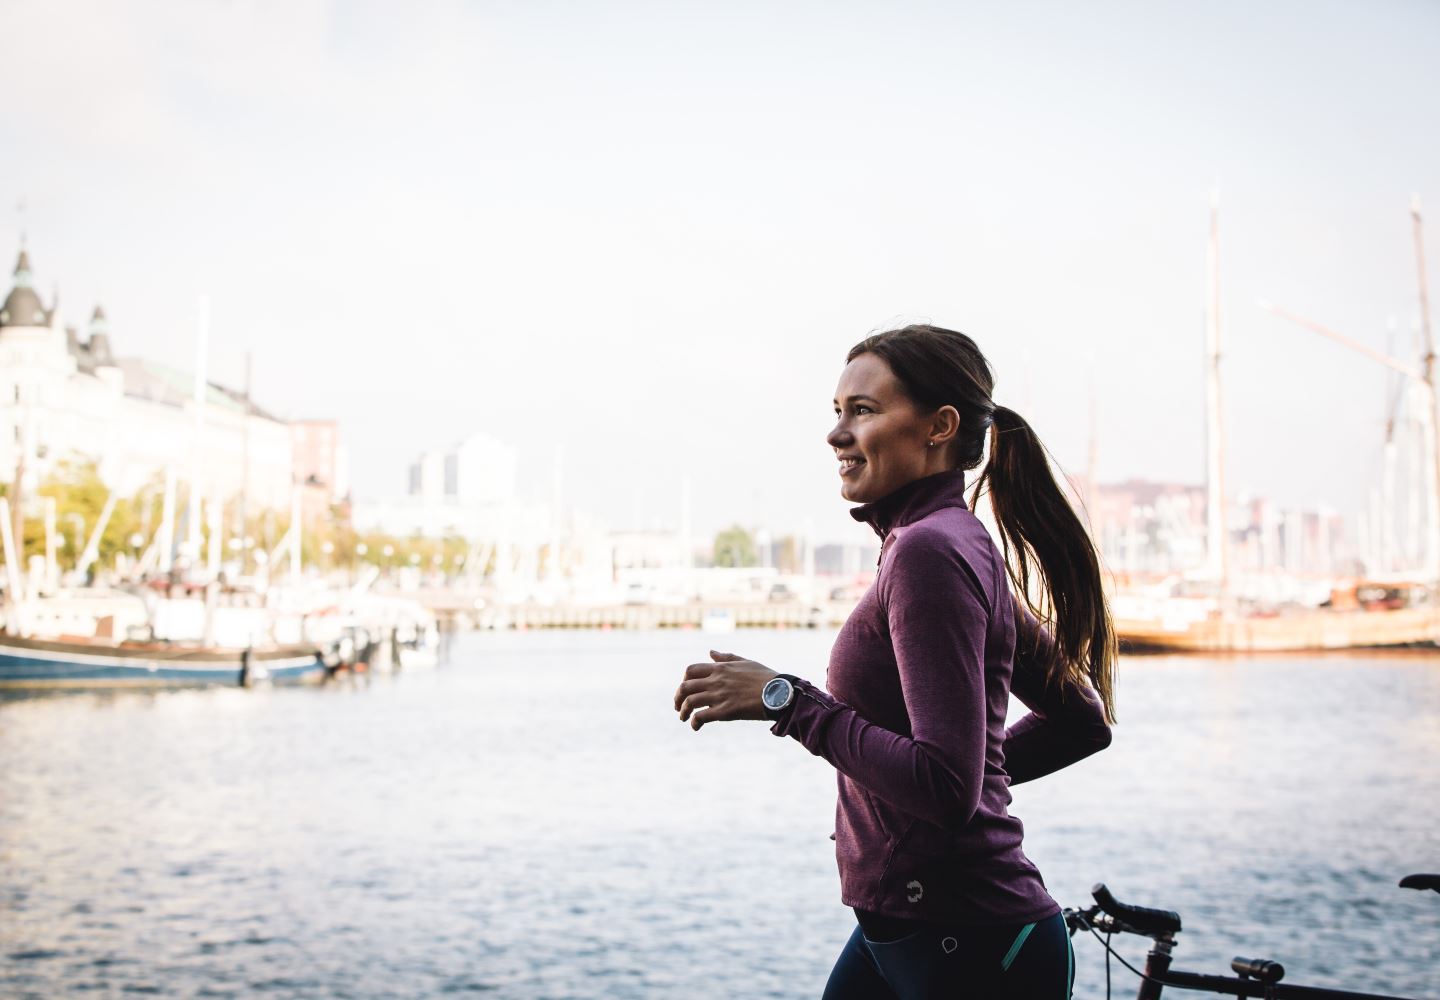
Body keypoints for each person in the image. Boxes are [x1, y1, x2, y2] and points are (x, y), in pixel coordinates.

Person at [672, 325, 1117, 999]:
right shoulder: (950, 543)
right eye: (837, 411)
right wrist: (947, 793)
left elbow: (947, 784)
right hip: (909, 932)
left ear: (938, 427)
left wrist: (788, 702)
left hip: (970, 943)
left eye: (864, 410)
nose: (836, 434)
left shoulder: (930, 553)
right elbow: (1077, 722)